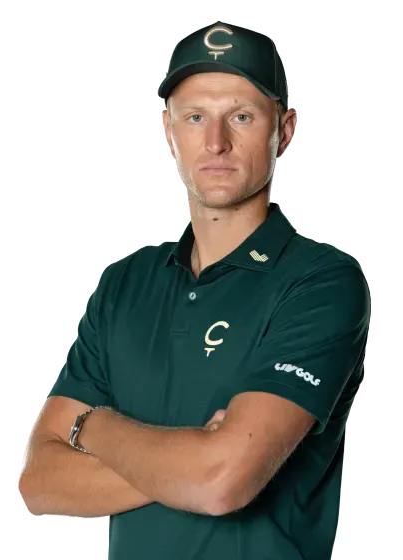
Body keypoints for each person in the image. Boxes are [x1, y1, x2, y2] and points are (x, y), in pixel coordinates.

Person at [18, 22, 371, 560]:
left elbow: (221, 482)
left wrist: (92, 425)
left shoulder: (321, 283)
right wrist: (197, 458)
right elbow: (40, 482)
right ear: (169, 130)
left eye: (242, 116)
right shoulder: (124, 283)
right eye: (195, 117)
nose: (216, 142)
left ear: (284, 131)